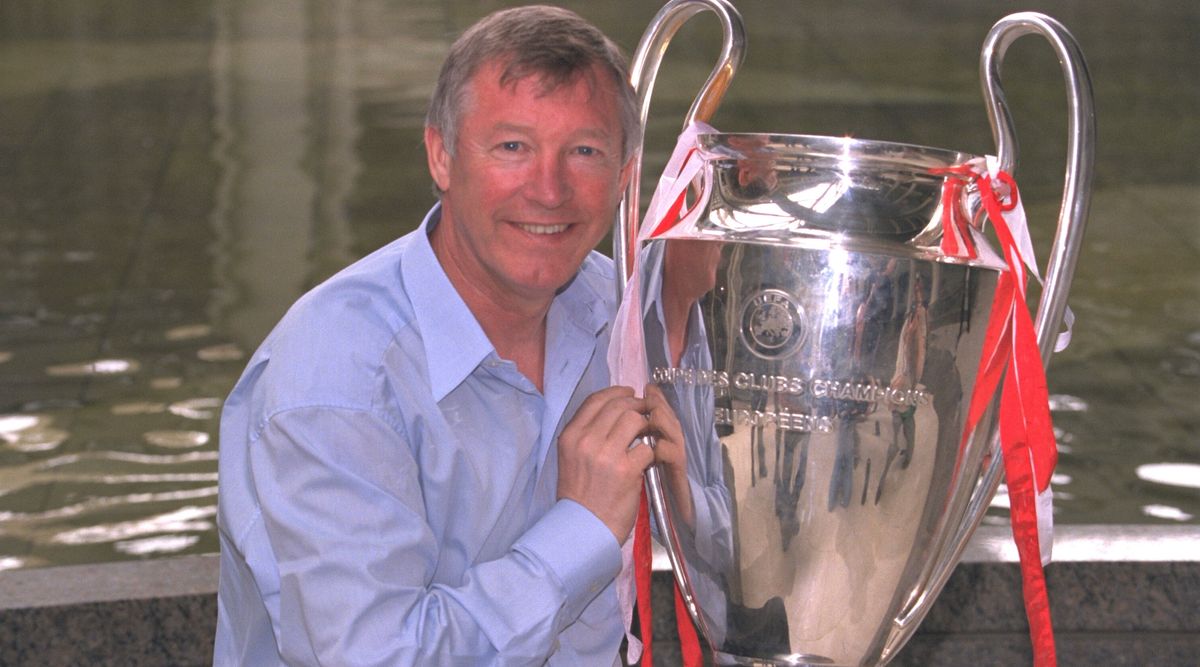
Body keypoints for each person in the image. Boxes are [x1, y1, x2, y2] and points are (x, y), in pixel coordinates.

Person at [213, 6, 689, 665]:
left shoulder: (622, 315)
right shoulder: (334, 379)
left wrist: (707, 485)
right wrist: (580, 530)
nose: (549, 191)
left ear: (625, 173)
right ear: (441, 154)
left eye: (583, 150)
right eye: (512, 147)